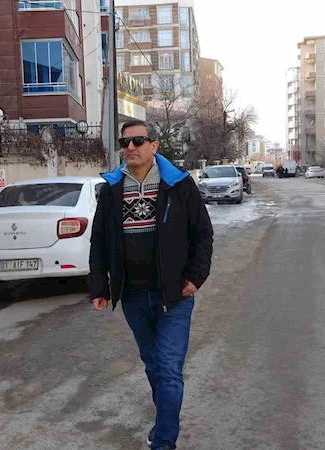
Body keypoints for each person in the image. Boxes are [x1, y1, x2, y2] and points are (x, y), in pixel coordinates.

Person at [89, 120, 214, 450]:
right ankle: (165, 422)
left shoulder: (179, 185)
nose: (130, 147)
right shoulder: (112, 189)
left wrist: (195, 277)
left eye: (138, 141)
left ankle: (164, 442)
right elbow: (99, 241)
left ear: (154, 146)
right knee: (154, 366)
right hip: (133, 295)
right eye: (125, 142)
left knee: (169, 369)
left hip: (174, 295)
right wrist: (99, 287)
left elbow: (203, 234)